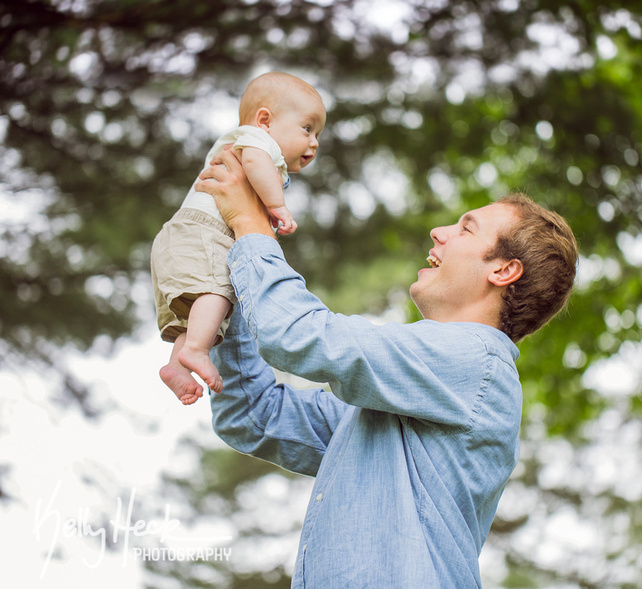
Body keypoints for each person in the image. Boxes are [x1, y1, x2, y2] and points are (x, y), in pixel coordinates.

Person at [195, 148, 578, 588]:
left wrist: (250, 228)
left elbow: (297, 334)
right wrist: (230, 270)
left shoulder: (475, 360)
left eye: (466, 228)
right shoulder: (403, 402)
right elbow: (254, 416)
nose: (439, 232)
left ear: (504, 270)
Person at [150, 72, 326, 405]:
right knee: (221, 292)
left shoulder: (259, 143)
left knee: (204, 311)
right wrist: (277, 206)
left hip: (188, 236)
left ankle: (178, 365)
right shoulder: (255, 141)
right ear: (265, 120)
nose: (314, 142)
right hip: (205, 230)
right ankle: (197, 351)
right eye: (307, 128)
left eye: (318, 133)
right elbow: (255, 162)